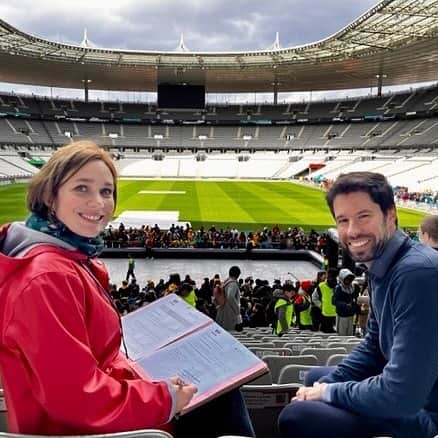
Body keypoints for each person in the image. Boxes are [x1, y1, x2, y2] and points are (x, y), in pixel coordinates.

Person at [0, 140, 254, 437]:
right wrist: (164, 398)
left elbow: (89, 366)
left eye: (106, 191)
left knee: (220, 391)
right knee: (222, 396)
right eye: (82, 188)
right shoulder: (47, 278)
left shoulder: (66, 261)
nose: (98, 202)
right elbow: (75, 399)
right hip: (80, 429)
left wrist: (145, 376)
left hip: (94, 412)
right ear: (49, 196)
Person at [278, 171, 438, 438]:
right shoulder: (385, 263)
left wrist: (328, 392)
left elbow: (403, 395)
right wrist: (324, 386)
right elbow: (374, 346)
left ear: (390, 215)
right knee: (315, 378)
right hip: (413, 394)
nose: (352, 231)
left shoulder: (417, 274)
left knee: (297, 415)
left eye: (364, 216)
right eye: (343, 220)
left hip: (426, 413)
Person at [332, 268, 360, 336]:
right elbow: (334, 301)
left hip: (351, 314)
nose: (348, 280)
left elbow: (356, 298)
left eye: (349, 279)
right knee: (342, 334)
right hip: (342, 315)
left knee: (350, 333)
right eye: (346, 278)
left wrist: (356, 307)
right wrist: (345, 305)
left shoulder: (353, 287)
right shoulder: (338, 288)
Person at [216, 265, 242, 331]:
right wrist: (237, 309)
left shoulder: (225, 282)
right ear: (238, 275)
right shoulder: (233, 283)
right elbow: (230, 296)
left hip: (222, 309)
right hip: (229, 312)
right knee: (229, 331)